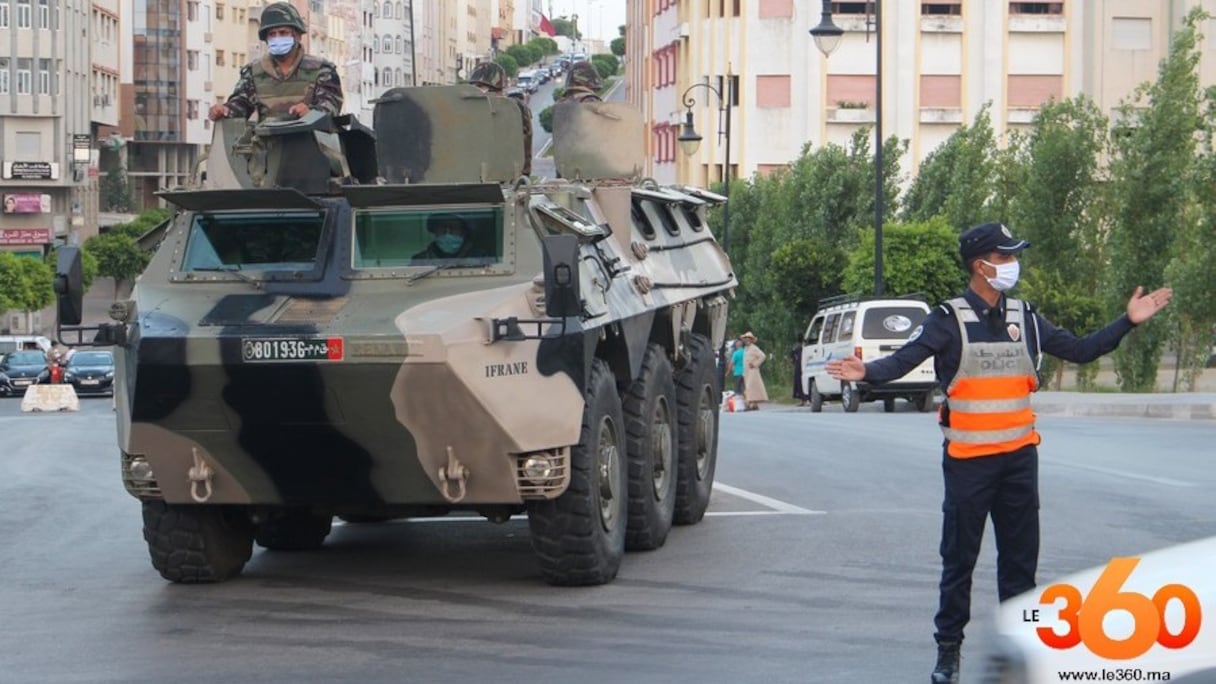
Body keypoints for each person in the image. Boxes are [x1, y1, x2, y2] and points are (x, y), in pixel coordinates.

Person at [825, 221, 1173, 684]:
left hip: (1018, 463)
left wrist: (1126, 321)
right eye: (1005, 257)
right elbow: (906, 359)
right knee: (959, 563)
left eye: (1012, 256)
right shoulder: (946, 319)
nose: (1012, 264)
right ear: (981, 265)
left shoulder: (1025, 316)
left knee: (1020, 568)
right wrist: (866, 369)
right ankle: (948, 654)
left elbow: (1083, 349)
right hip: (968, 465)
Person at [208, 2, 343, 123]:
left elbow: (331, 105)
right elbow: (241, 104)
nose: (278, 38)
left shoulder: (321, 69)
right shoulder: (254, 72)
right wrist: (225, 110)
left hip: (312, 142)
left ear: (297, 35)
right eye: (272, 34)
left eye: (283, 32)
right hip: (268, 144)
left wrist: (310, 112)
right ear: (266, 38)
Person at [468, 62, 533, 176]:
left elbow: (524, 144)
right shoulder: (468, 106)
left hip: (505, 175)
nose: (477, 91)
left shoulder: (513, 108)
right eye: (475, 87)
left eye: (480, 87)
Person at [412, 213, 484, 261]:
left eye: (454, 227)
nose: (447, 232)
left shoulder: (479, 257)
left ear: (464, 232)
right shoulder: (420, 259)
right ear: (434, 231)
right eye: (442, 227)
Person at [741, 332, 768, 411]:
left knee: (751, 387)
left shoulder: (754, 348)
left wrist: (755, 364)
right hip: (746, 371)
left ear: (752, 340)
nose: (747, 340)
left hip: (753, 371)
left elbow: (762, 356)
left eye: (749, 339)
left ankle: (751, 403)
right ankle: (753, 404)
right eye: (746, 339)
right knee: (748, 387)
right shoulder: (746, 349)